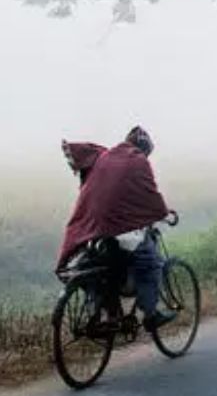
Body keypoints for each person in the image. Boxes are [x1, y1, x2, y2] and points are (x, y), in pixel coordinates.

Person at [58, 126, 176, 331]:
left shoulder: (104, 157)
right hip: (119, 226)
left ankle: (108, 314)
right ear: (144, 148)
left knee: (98, 266)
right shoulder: (138, 161)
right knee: (152, 262)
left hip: (93, 226)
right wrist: (162, 212)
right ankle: (151, 315)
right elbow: (150, 194)